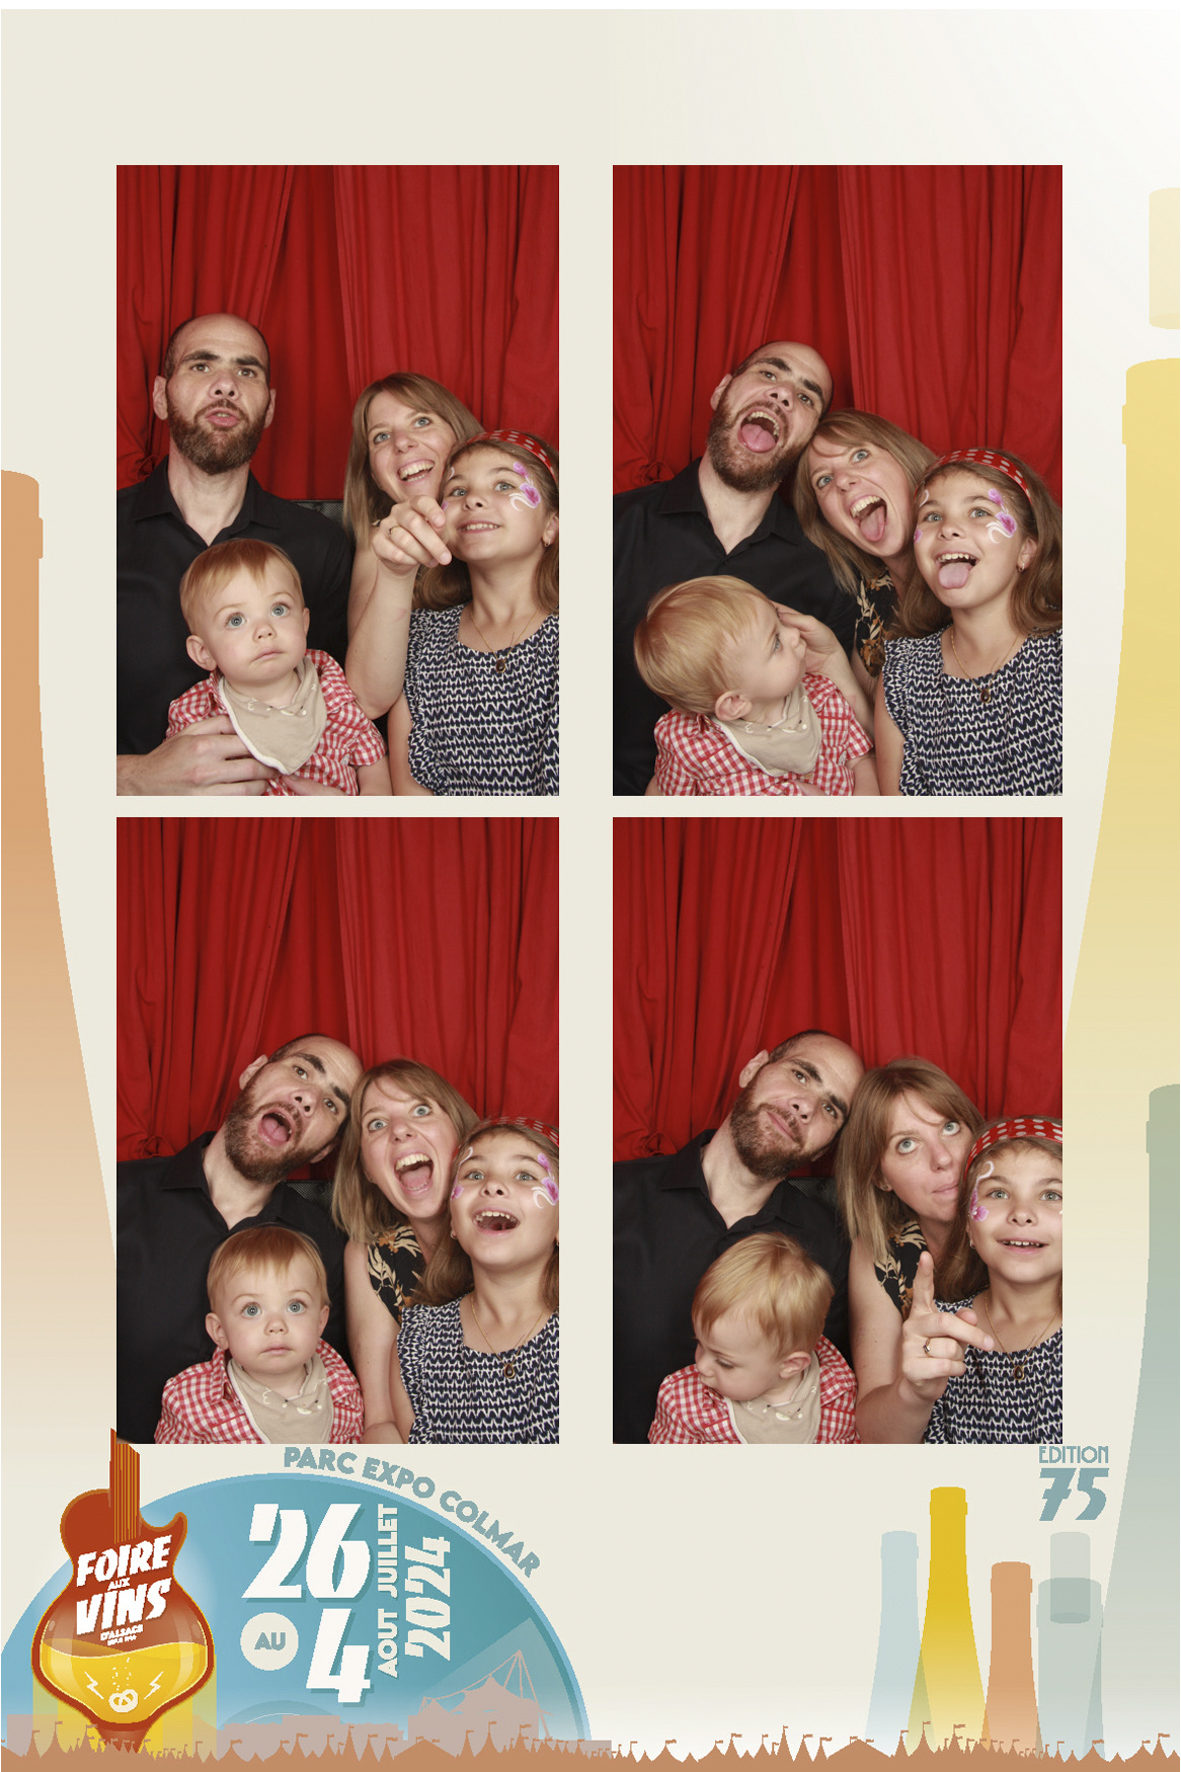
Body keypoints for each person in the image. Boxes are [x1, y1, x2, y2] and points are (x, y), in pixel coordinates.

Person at [614, 339, 863, 795]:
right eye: (769, 374)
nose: (783, 394)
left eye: (806, 397)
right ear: (721, 391)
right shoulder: (609, 528)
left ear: (809, 437)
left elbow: (851, 735)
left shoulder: (829, 572)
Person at [118, 313, 352, 793]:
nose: (225, 385)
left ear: (269, 407)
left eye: (247, 371)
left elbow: (348, 707)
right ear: (160, 396)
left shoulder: (321, 545)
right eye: (201, 366)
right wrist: (132, 779)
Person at [613, 1029, 864, 1443]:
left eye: (830, 1109)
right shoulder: (612, 1196)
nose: (805, 1107)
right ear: (753, 1068)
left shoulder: (830, 1250)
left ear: (825, 1148)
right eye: (801, 1075)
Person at [117, 1033, 361, 1444]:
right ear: (252, 1073)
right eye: (301, 1071)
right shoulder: (114, 1196)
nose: (307, 1099)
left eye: (331, 1104)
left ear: (325, 1150)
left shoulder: (327, 1249)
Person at [876, 449, 1063, 795]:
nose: (948, 529)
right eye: (932, 516)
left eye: (979, 512)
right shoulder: (901, 675)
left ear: (1027, 549)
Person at [389, 432, 559, 796]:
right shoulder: (418, 637)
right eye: (458, 491)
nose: (474, 499)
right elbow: (409, 791)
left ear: (551, 525)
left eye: (504, 484)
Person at [834, 1059, 985, 1443]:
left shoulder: (1037, 1221)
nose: (943, 1158)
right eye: (907, 1144)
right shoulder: (882, 1251)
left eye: (950, 1127)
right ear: (879, 1176)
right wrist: (912, 1393)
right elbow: (876, 1434)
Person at [385, 1120, 560, 1444]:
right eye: (475, 1174)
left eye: (525, 1175)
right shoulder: (416, 1346)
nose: (492, 1185)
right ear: (453, 1222)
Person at [167, 539, 388, 796]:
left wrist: (365, 809)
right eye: (236, 620)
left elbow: (372, 759)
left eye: (278, 610)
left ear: (304, 623)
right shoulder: (196, 715)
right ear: (203, 652)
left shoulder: (331, 691)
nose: (264, 630)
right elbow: (177, 787)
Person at [332, 1060, 480, 1441]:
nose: (399, 1130)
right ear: (366, 1168)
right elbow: (381, 1421)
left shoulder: (518, 1224)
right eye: (376, 1124)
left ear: (461, 1132)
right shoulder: (372, 1257)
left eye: (421, 1110)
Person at [634, 575, 877, 796]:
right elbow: (661, 797)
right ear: (734, 703)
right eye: (776, 643)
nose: (794, 634)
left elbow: (862, 761)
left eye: (779, 620)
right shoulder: (690, 745)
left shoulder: (824, 697)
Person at [899, 1118, 1063, 1443]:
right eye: (998, 1193)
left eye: (1051, 1195)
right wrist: (914, 1395)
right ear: (968, 1226)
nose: (1022, 1213)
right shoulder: (939, 1333)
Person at [342, 373, 483, 719]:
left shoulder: (521, 514)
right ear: (374, 476)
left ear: (461, 435)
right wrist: (395, 573)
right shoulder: (379, 544)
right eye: (381, 436)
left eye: (421, 421)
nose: (402, 443)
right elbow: (367, 698)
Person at [155, 1226, 363, 1444]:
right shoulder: (190, 1402)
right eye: (252, 1310)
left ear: (320, 1322)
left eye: (295, 1306)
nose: (276, 1325)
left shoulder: (342, 1386)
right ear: (220, 1331)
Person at [648, 1233, 858, 1444]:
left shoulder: (837, 1393)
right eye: (700, 1344)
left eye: (725, 1363)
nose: (701, 1365)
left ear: (790, 1365)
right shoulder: (684, 1404)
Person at [794, 411, 937, 693]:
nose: (842, 481)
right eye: (823, 480)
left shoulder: (974, 565)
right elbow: (874, 721)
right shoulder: (873, 595)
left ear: (902, 456)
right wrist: (833, 660)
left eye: (859, 455)